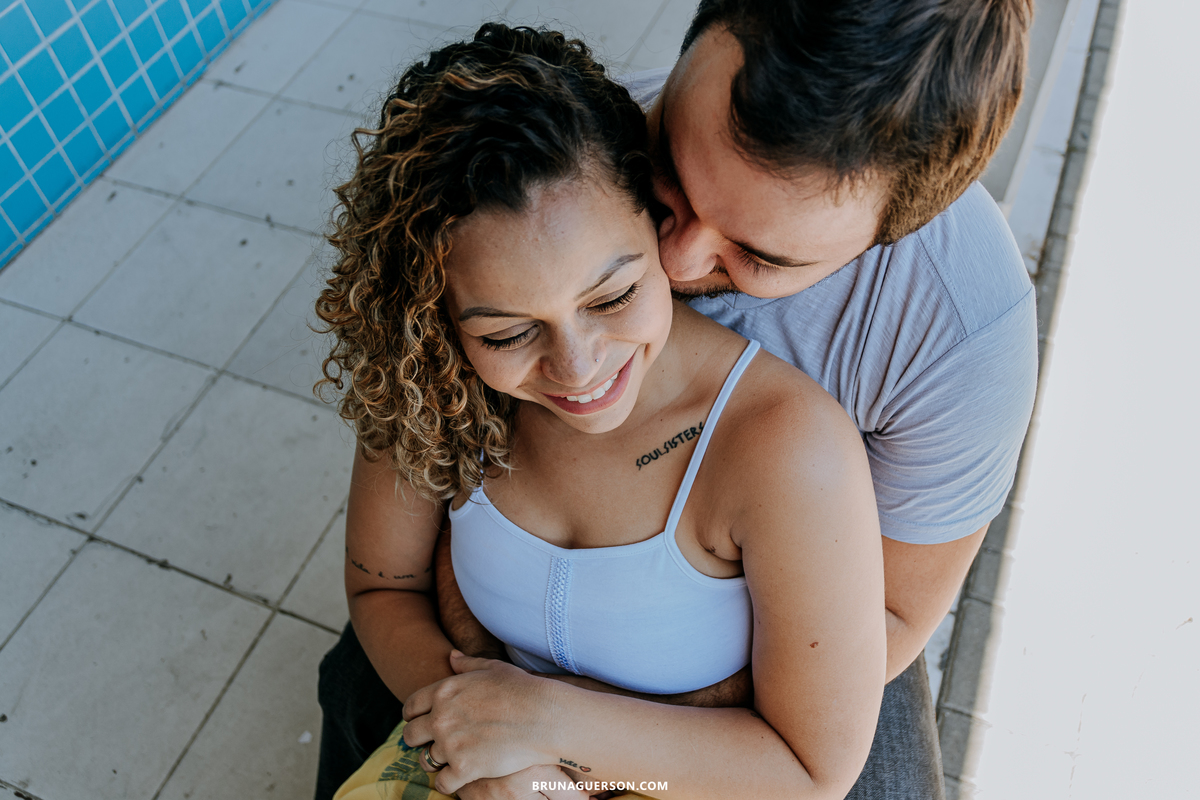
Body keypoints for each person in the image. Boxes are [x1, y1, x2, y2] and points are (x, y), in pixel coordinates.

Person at [317, 1, 1039, 798]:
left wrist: (587, 739)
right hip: (507, 621)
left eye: (758, 254)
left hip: (803, 629)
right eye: (669, 183)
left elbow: (881, 632)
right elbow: (393, 558)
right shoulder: (565, 163)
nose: (678, 255)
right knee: (355, 691)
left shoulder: (960, 333)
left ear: (886, 236)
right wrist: (489, 702)